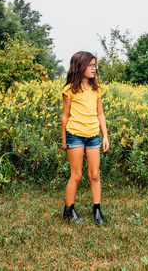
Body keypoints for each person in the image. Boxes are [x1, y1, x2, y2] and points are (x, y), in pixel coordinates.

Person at [61, 51, 109, 225]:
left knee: (95, 174)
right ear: (79, 67)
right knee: (77, 175)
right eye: (90, 65)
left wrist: (105, 136)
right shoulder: (69, 90)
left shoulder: (96, 89)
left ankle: (97, 210)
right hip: (74, 136)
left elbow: (100, 114)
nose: (94, 68)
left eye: (95, 65)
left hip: (93, 136)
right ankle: (69, 210)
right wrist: (63, 138)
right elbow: (65, 116)